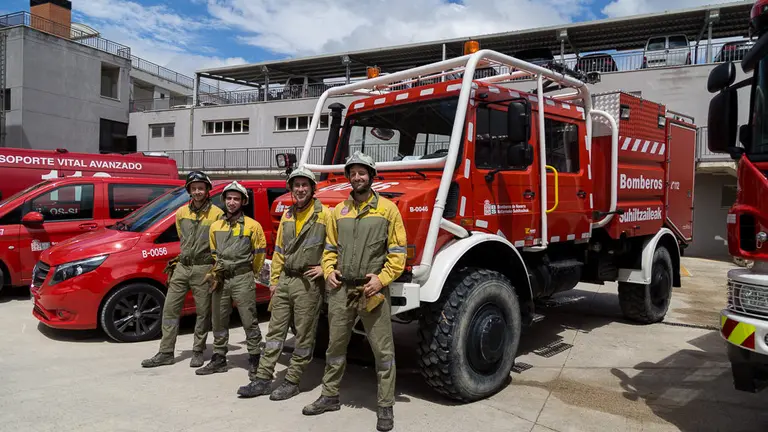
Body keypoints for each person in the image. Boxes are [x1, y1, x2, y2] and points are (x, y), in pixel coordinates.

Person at [302, 152, 407, 432]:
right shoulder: (340, 211)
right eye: (353, 173)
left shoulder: (387, 209)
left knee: (382, 350)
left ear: (372, 176)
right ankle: (329, 395)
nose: (357, 177)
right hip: (341, 289)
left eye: (362, 172)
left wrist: (382, 279)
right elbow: (330, 248)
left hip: (371, 290)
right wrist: (329, 270)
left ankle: (385, 406)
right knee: (335, 346)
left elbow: (398, 253)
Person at [236, 167, 331, 400]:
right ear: (291, 188)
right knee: (275, 332)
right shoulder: (288, 215)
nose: (300, 189)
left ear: (312, 188)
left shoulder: (325, 215)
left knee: (304, 335)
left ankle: (292, 380)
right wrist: (274, 281)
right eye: (296, 185)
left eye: (304, 185)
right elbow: (279, 251)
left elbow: (337, 246)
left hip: (308, 282)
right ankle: (263, 379)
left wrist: (325, 268)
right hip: (286, 279)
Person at [141, 171, 223, 369]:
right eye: (193, 188)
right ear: (189, 191)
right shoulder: (181, 213)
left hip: (203, 267)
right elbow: (182, 237)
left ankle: (198, 350)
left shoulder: (217, 214)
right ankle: (166, 352)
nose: (197, 192)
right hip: (182, 266)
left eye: (201, 188)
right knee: (170, 309)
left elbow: (219, 244)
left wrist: (215, 271)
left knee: (203, 312)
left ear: (207, 190)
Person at [195, 180, 267, 378]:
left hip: (242, 277)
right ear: (224, 200)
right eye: (229, 198)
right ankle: (219, 358)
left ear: (243, 201)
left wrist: (250, 272)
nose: (232, 202)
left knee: (248, 319)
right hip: (221, 278)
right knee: (218, 320)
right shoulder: (216, 226)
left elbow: (259, 254)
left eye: (236, 198)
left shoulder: (253, 226)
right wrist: (216, 272)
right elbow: (214, 252)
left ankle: (254, 358)